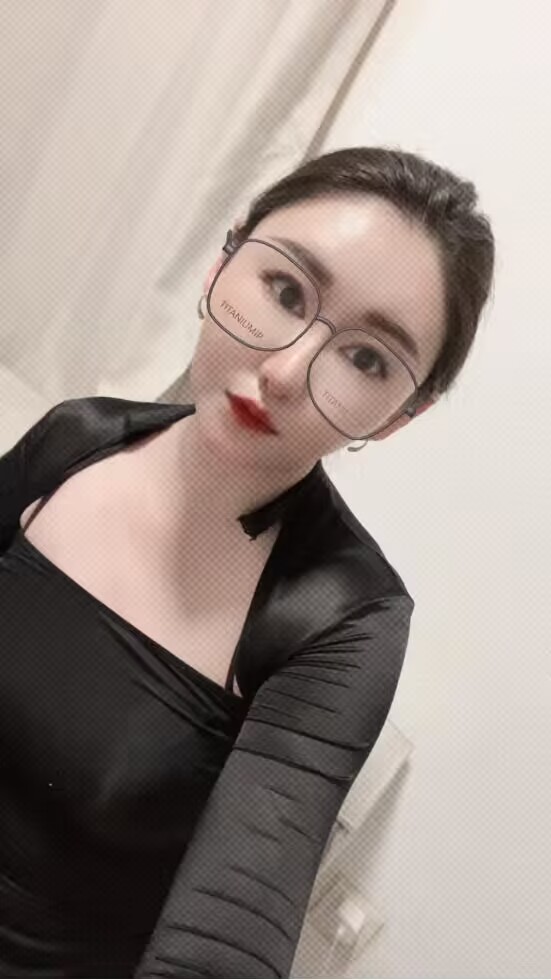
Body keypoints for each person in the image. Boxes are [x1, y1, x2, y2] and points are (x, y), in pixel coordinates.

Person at [0, 146, 495, 978]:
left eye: (366, 359)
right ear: (222, 259)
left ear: (399, 416)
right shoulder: (75, 438)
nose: (285, 371)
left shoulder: (346, 618)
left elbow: (230, 935)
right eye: (285, 291)